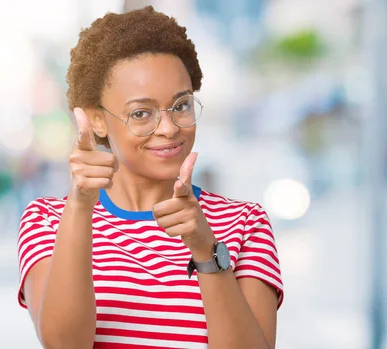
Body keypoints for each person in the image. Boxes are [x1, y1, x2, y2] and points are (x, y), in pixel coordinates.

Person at [17, 6, 283, 349]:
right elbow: (65, 344)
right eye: (141, 113)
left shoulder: (245, 223)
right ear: (97, 120)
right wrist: (81, 207)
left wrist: (207, 251)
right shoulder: (49, 221)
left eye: (182, 106)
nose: (170, 128)